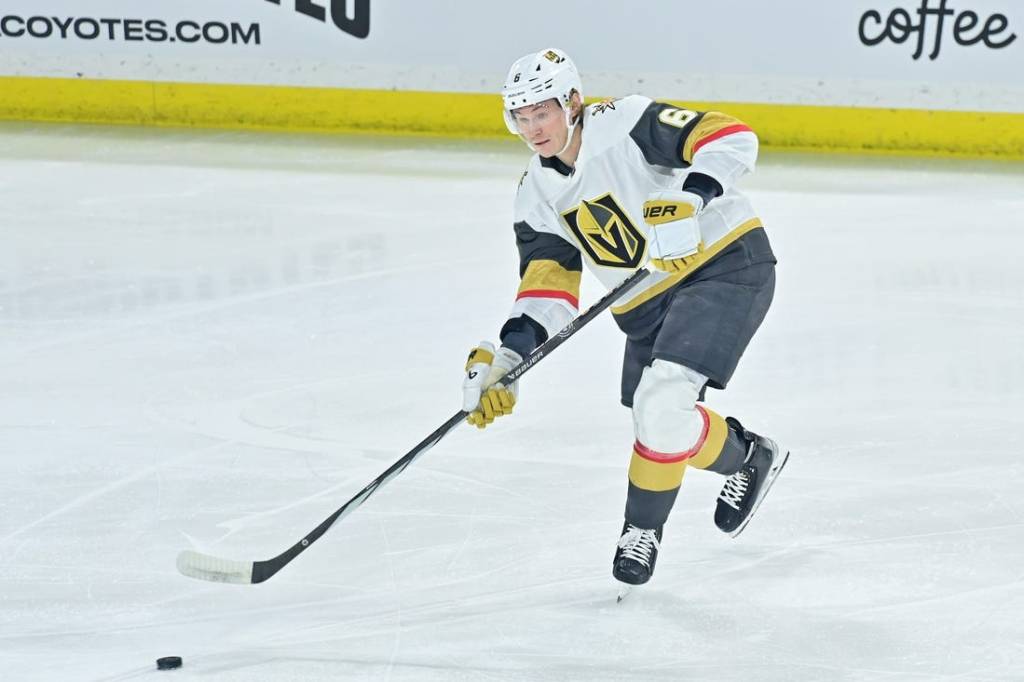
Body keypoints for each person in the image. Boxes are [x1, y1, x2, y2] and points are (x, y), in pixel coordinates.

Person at [460, 48, 789, 588]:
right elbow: (549, 284)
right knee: (658, 417)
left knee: (661, 401)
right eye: (520, 116)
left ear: (572, 101)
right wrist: (509, 359)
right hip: (644, 302)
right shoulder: (534, 194)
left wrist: (691, 197)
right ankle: (748, 456)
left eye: (541, 112)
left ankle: (641, 531)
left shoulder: (627, 122)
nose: (532, 127)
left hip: (722, 263)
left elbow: (732, 136)